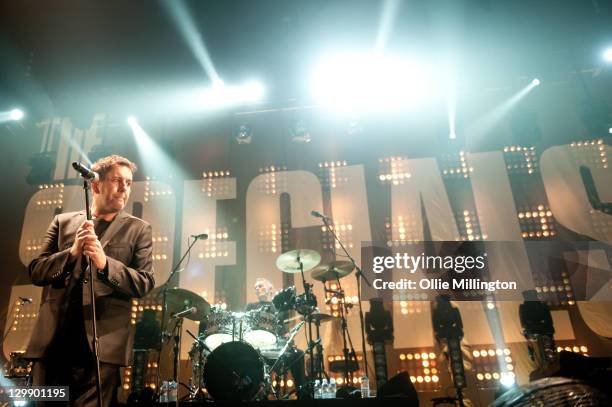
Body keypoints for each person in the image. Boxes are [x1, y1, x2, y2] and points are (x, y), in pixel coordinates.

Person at [25, 155, 155, 406]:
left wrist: (105, 263)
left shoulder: (138, 229)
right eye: (117, 180)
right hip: (54, 343)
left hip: (102, 346)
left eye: (128, 183)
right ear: (95, 185)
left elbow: (144, 282)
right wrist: (71, 252)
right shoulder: (62, 223)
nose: (124, 188)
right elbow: (37, 271)